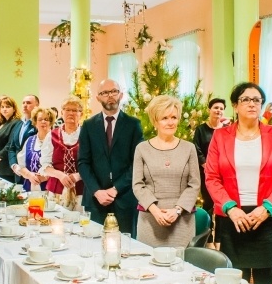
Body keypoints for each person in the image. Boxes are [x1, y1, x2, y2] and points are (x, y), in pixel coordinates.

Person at [205, 82, 272, 284]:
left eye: (257, 100)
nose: (252, 104)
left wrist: (268, 207)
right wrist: (230, 208)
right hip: (234, 218)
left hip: (266, 216)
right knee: (235, 281)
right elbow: (211, 177)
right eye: (245, 99)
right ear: (235, 105)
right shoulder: (220, 136)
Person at [132, 95, 201, 248]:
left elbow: (194, 184)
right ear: (155, 121)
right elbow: (138, 185)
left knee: (181, 266)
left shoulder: (189, 148)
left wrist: (177, 210)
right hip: (150, 218)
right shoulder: (141, 149)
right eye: (164, 118)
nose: (170, 122)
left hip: (182, 219)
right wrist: (155, 210)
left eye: (174, 117)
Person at [78, 79, 143, 234]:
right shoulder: (88, 125)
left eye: (114, 91)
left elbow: (137, 163)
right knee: (93, 245)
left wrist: (115, 189)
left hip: (124, 198)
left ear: (120, 95)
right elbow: (83, 163)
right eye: (104, 93)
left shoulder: (133, 124)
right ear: (98, 98)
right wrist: (97, 191)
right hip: (95, 199)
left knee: (125, 247)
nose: (110, 96)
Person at [40, 96, 85, 201]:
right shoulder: (51, 135)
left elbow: (94, 164)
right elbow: (45, 164)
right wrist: (60, 175)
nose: (71, 113)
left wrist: (77, 176)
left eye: (75, 110)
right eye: (67, 109)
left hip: (81, 190)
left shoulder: (87, 135)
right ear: (61, 113)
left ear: (81, 114)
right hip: (56, 190)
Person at [192, 97, 226, 214]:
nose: (218, 110)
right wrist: (206, 166)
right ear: (209, 110)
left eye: (221, 108)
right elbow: (196, 148)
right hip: (206, 172)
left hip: (223, 173)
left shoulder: (227, 130)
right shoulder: (201, 129)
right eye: (216, 107)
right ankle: (208, 230)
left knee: (222, 202)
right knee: (208, 202)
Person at [12, 106, 54, 192]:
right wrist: (29, 175)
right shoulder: (29, 140)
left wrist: (45, 176)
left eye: (46, 119)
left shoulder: (55, 140)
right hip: (29, 188)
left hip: (50, 189)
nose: (43, 122)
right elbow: (22, 165)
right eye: (40, 119)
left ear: (51, 123)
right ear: (35, 122)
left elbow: (59, 166)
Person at [5, 94, 38, 185]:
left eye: (28, 103)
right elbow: (12, 147)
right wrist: (14, 165)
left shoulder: (38, 125)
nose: (24, 105)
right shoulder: (18, 124)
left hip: (32, 171)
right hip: (18, 171)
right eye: (23, 103)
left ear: (36, 106)